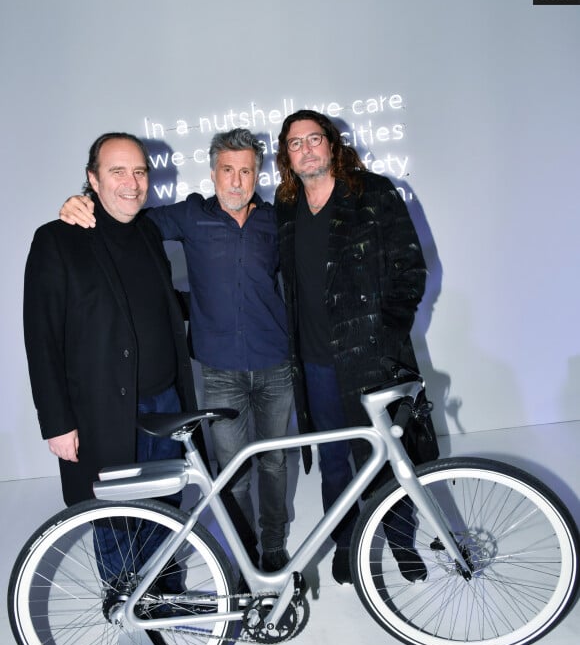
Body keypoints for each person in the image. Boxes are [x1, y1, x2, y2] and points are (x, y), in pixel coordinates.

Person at [59, 128, 294, 572]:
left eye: (246, 171)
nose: (236, 181)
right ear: (213, 172)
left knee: (276, 463)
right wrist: (80, 202)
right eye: (227, 170)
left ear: (257, 174)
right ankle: (244, 551)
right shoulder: (188, 215)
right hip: (220, 371)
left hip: (274, 365)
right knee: (232, 473)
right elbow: (125, 217)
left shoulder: (276, 221)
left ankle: (275, 543)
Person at [24, 132, 199, 587]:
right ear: (92, 179)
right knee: (115, 519)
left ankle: (163, 593)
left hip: (165, 406)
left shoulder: (146, 231)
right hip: (103, 414)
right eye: (117, 171)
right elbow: (41, 338)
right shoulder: (57, 240)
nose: (132, 182)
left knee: (164, 509)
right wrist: (57, 423)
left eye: (139, 171)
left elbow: (155, 304)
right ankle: (127, 610)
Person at [275, 110, 439, 584]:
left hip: (372, 359)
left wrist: (385, 337)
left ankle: (401, 541)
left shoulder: (374, 193)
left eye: (313, 139)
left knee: (390, 458)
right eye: (294, 143)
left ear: (332, 144)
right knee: (333, 463)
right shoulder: (285, 206)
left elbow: (411, 270)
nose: (305, 149)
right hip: (315, 364)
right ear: (287, 155)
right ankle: (347, 543)